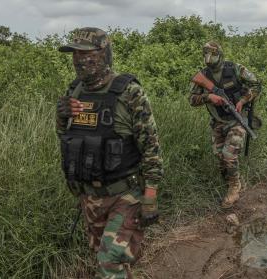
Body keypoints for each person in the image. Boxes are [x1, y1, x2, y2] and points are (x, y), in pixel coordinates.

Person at [56, 27, 163, 279]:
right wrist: (61, 116)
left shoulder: (129, 93)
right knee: (103, 257)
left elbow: (151, 147)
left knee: (109, 262)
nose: (79, 60)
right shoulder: (75, 92)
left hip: (124, 196)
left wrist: (150, 197)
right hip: (90, 197)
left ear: (104, 54)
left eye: (87, 53)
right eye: (75, 54)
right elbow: (67, 139)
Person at [189, 41, 261, 208]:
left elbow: (257, 85)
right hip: (218, 122)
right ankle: (232, 181)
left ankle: (235, 188)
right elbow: (191, 99)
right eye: (206, 56)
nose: (209, 60)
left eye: (213, 56)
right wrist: (209, 98)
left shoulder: (236, 69)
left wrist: (243, 100)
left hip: (237, 119)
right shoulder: (202, 75)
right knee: (220, 158)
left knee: (229, 155)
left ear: (220, 55)